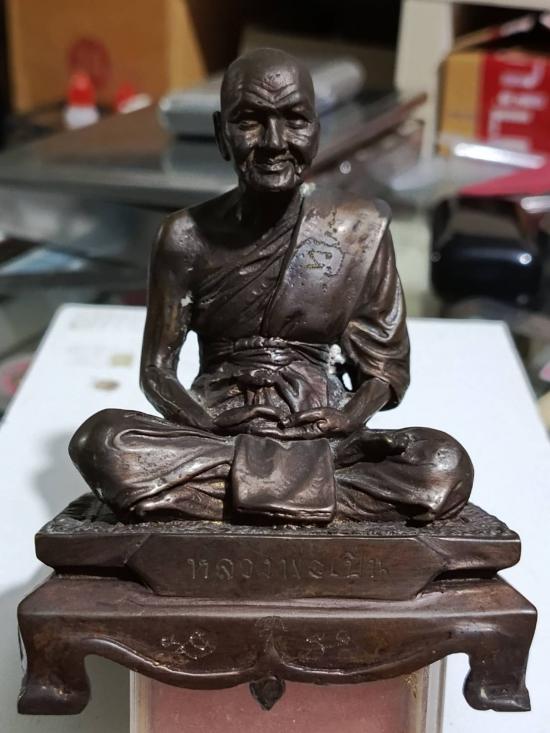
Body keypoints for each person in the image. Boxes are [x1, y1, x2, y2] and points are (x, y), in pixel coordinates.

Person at [69, 48, 473, 524]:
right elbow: (157, 370)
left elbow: (383, 368)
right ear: (221, 134)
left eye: (295, 119)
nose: (274, 142)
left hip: (319, 429)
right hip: (217, 427)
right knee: (102, 442)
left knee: (442, 463)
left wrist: (348, 418)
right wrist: (206, 421)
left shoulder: (357, 229)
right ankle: (314, 496)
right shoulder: (184, 236)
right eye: (250, 121)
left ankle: (227, 498)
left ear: (317, 130)